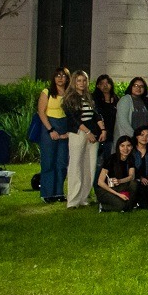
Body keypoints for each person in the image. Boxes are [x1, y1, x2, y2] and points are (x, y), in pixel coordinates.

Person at [63, 70, 105, 209]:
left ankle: (84, 197)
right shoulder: (69, 98)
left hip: (93, 132)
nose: (82, 83)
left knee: (90, 166)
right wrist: (87, 132)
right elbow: (73, 119)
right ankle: (73, 200)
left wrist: (102, 130)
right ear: (74, 82)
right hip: (78, 133)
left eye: (84, 80)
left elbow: (96, 114)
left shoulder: (89, 97)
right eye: (79, 80)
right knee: (76, 166)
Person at [36, 67, 71, 203]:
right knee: (48, 162)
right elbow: (41, 112)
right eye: (58, 75)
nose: (60, 78)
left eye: (63, 76)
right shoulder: (47, 92)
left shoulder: (69, 93)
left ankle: (58, 193)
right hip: (49, 127)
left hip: (64, 128)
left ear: (67, 78)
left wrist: (68, 132)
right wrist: (51, 130)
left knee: (62, 163)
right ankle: (47, 193)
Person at [94, 136, 137, 213]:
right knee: (120, 205)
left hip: (119, 186)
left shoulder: (131, 159)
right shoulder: (111, 159)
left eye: (128, 146)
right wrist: (118, 194)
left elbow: (131, 176)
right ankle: (103, 206)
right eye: (122, 146)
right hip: (105, 189)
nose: (125, 149)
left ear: (132, 147)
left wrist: (120, 181)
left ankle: (129, 206)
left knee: (134, 184)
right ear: (118, 147)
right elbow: (100, 182)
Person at [113, 76, 148, 143]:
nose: (138, 88)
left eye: (141, 86)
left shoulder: (146, 101)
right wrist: (135, 137)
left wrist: (146, 136)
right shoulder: (125, 100)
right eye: (135, 85)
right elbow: (123, 122)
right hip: (127, 140)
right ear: (131, 87)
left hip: (143, 141)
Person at [92, 75, 119, 164]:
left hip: (112, 134)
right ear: (98, 86)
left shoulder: (116, 99)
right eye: (102, 83)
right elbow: (96, 114)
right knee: (98, 161)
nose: (105, 85)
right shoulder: (94, 99)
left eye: (107, 83)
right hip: (99, 134)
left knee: (109, 161)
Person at [131, 126, 148, 200]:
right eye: (142, 135)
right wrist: (140, 177)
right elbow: (129, 167)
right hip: (134, 178)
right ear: (137, 136)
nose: (145, 138)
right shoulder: (131, 150)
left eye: (147, 135)